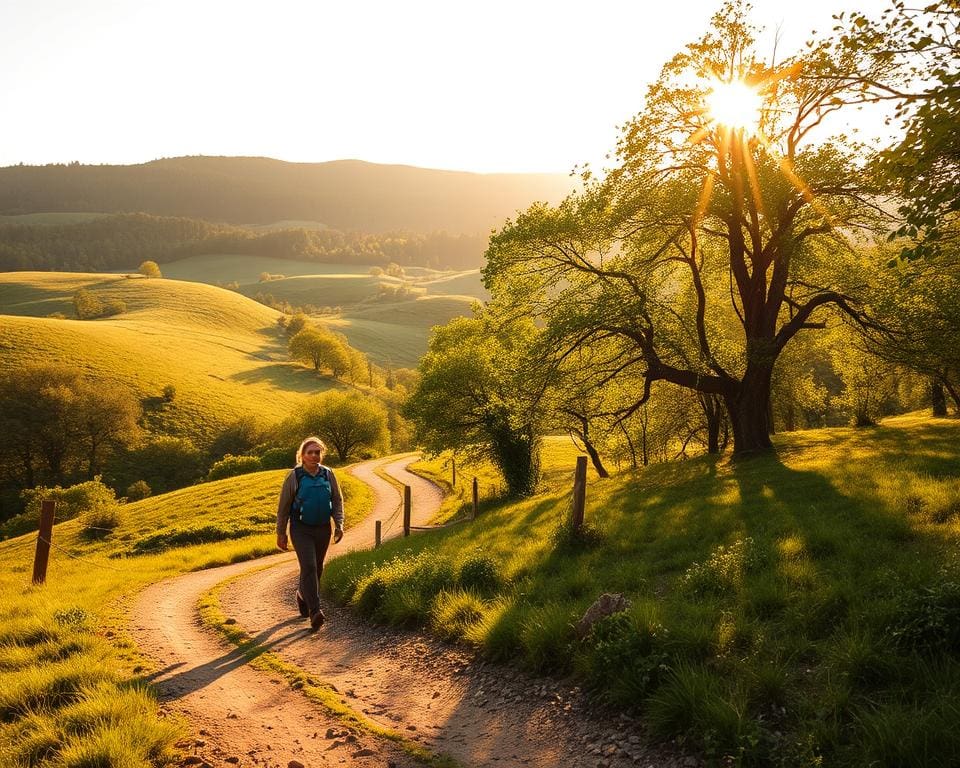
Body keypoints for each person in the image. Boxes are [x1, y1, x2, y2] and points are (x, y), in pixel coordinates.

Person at [276, 436, 344, 630]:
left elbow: (337, 500)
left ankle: (301, 594)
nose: (314, 455)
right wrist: (281, 533)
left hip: (323, 527)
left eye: (318, 452)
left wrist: (339, 524)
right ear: (302, 456)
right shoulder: (294, 476)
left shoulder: (328, 474)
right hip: (300, 527)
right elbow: (284, 507)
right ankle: (315, 612)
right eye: (310, 452)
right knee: (309, 566)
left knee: (318, 568)